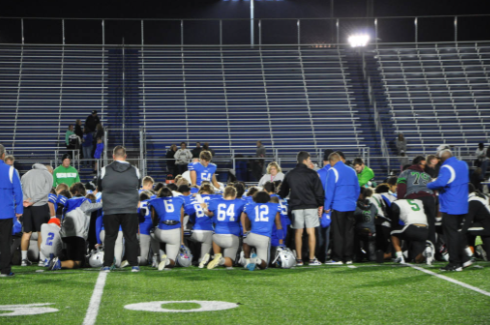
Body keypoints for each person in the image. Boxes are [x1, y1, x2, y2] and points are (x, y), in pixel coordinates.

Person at [98, 146, 142, 273]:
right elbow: (137, 186)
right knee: (131, 237)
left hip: (111, 208)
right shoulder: (135, 170)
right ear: (125, 156)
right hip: (129, 208)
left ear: (113, 156)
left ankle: (107, 264)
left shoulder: (104, 170)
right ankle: (134, 264)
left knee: (110, 237)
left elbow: (100, 187)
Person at [427, 146, 470, 271]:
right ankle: (464, 259)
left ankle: (454, 263)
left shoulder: (446, 167)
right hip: (462, 204)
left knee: (451, 236)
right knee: (456, 233)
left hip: (451, 205)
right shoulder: (463, 164)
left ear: (441, 158)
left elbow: (441, 183)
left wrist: (429, 184)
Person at [278, 151, 324, 266]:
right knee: (311, 232)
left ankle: (299, 259)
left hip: (296, 206)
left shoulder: (290, 174)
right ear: (305, 160)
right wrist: (320, 204)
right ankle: (312, 259)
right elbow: (319, 192)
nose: (310, 162)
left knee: (298, 232)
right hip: (311, 206)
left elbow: (282, 193)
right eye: (309, 160)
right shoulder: (312, 174)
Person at [48, 183, 102, 270]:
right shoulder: (84, 201)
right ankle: (59, 263)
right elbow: (94, 206)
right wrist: (104, 203)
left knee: (72, 259)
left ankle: (58, 261)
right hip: (77, 235)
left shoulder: (67, 202)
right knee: (77, 263)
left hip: (64, 235)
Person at [324, 152, 360, 265]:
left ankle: (338, 258)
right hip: (350, 206)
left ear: (331, 161)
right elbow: (357, 189)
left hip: (338, 206)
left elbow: (329, 191)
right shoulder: (352, 170)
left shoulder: (332, 171)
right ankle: (348, 257)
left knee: (338, 233)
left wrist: (326, 207)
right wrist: (353, 201)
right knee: (349, 232)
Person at [397, 156, 437, 249]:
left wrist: (401, 201)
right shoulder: (427, 175)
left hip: (415, 199)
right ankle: (432, 249)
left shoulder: (405, 173)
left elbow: (401, 189)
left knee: (415, 224)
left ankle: (416, 251)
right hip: (429, 198)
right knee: (430, 225)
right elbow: (433, 190)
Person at [20, 163, 54, 266]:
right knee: (41, 232)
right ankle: (42, 260)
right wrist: (33, 200)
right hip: (40, 205)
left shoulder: (26, 174)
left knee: (26, 233)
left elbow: (20, 189)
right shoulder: (47, 174)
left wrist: (26, 200)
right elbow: (46, 191)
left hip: (26, 206)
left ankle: (23, 260)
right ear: (49, 170)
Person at [206, 186, 247, 269]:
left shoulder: (215, 201)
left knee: (214, 236)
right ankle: (221, 260)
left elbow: (209, 213)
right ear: (235, 195)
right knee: (230, 262)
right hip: (232, 236)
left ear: (223, 194)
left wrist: (204, 209)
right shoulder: (241, 202)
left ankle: (216, 257)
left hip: (217, 236)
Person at [241, 191, 284, 271]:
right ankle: (258, 260)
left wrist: (245, 229)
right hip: (264, 238)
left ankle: (247, 260)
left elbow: (245, 219)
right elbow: (278, 225)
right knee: (264, 265)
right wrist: (281, 242)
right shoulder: (274, 206)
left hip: (252, 236)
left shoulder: (250, 206)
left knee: (245, 240)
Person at [0, 144, 23, 277]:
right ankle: (5, 270)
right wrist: (19, 209)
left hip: (6, 211)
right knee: (5, 242)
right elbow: (18, 191)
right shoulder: (10, 170)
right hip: (6, 212)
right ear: (3, 155)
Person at [148, 188, 185, 270]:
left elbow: (153, 222)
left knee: (152, 233)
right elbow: (181, 223)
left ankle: (156, 257)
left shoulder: (155, 201)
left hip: (162, 231)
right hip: (175, 232)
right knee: (171, 264)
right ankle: (168, 261)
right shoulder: (179, 200)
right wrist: (181, 241)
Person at [390, 198, 432, 264]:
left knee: (393, 232)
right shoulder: (419, 200)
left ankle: (399, 255)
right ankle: (424, 253)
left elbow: (394, 219)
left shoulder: (397, 202)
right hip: (425, 229)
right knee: (417, 260)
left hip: (411, 227)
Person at [316, 149, 333, 262]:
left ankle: (320, 256)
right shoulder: (336, 172)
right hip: (334, 206)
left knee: (321, 233)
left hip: (320, 206)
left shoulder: (319, 173)